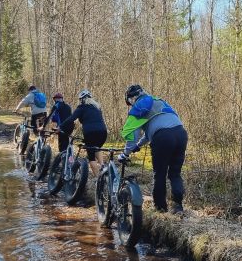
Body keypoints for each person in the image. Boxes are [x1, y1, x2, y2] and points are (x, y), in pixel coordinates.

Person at [120, 84, 188, 214]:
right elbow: (151, 131)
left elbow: (132, 134)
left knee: (160, 174)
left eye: (129, 103)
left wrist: (126, 153)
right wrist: (139, 146)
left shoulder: (138, 107)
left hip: (163, 137)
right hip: (181, 133)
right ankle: (178, 207)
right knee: (175, 173)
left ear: (131, 99)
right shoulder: (158, 101)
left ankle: (160, 209)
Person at [60, 90, 108, 175]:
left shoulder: (81, 107)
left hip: (90, 133)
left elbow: (71, 119)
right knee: (97, 147)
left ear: (81, 99)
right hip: (103, 132)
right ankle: (102, 166)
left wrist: (60, 127)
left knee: (91, 157)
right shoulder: (97, 107)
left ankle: (98, 179)